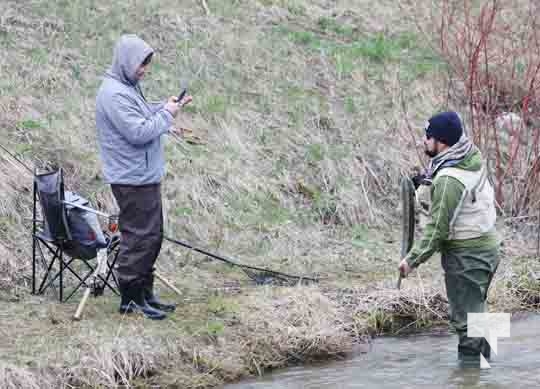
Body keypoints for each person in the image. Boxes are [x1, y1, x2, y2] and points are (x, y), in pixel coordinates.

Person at [95, 34, 192, 320]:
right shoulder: (114, 94)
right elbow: (137, 133)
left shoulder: (127, 87)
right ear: (127, 62)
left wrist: (166, 108)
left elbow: (142, 115)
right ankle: (130, 299)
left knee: (152, 236)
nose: (144, 71)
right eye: (141, 65)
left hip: (143, 175)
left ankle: (145, 294)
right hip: (131, 178)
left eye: (146, 65)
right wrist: (167, 116)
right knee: (139, 238)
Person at [398, 111, 500, 364]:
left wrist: (411, 260)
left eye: (428, 136)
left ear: (441, 142)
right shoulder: (469, 154)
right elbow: (456, 193)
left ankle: (471, 374)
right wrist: (426, 183)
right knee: (477, 313)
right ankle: (492, 368)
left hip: (467, 257)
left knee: (466, 324)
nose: (424, 141)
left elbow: (437, 230)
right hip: (486, 248)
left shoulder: (448, 180)